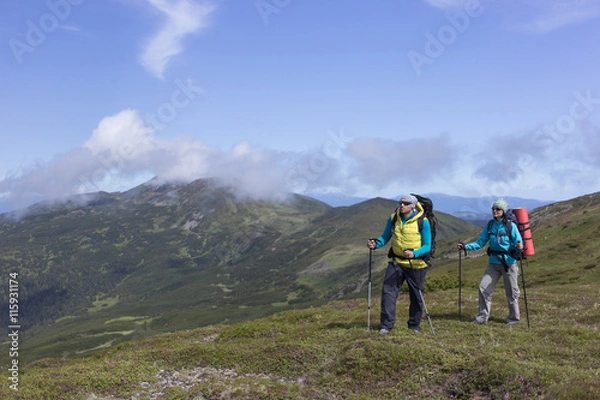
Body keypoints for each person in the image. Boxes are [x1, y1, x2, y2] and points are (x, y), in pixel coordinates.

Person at [367, 194, 432, 335]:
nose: (401, 205)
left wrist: (414, 253)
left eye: (405, 203)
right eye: (400, 203)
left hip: (416, 264)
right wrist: (375, 244)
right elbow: (385, 237)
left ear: (413, 205)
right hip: (396, 262)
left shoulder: (423, 221)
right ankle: (386, 325)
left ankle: (414, 325)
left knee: (416, 295)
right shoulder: (393, 218)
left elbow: (427, 246)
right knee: (388, 292)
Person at [457, 198, 524, 325]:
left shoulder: (511, 226)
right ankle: (482, 317)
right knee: (483, 288)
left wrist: (520, 246)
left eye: (498, 209)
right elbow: (480, 243)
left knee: (512, 293)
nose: (494, 211)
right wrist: (465, 246)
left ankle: (513, 319)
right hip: (493, 263)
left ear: (503, 210)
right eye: (493, 209)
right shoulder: (490, 225)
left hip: (509, 263)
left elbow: (519, 242)